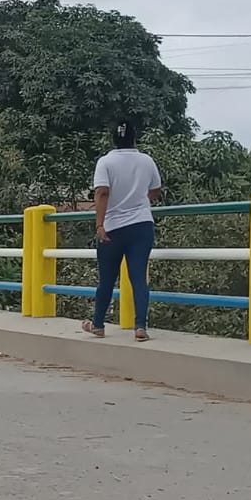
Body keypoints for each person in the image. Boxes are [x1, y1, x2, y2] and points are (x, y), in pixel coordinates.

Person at [81, 120, 161, 341]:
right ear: (134, 137)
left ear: (113, 139)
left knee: (106, 279)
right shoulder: (146, 160)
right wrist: (141, 201)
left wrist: (99, 224)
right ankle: (140, 327)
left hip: (112, 228)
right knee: (138, 277)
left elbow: (102, 192)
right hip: (142, 226)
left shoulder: (105, 162)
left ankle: (98, 325)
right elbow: (156, 190)